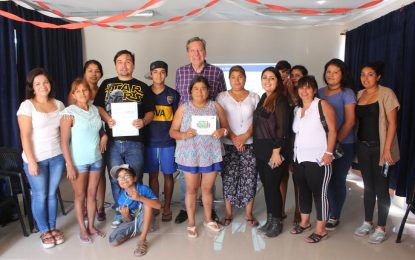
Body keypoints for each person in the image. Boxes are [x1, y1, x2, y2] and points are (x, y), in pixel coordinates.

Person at [94, 50, 155, 228]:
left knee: (134, 178)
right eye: (120, 61)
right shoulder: (107, 84)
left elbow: (151, 111)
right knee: (116, 179)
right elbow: (98, 107)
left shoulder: (143, 86)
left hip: (135, 142)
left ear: (133, 65)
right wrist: (107, 119)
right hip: (113, 141)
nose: (124, 65)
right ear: (115, 65)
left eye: (128, 61)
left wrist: (143, 121)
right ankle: (122, 212)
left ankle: (140, 213)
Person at [174, 36, 226, 224]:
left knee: (208, 182)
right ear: (188, 53)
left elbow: (221, 99)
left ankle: (209, 212)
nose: (196, 54)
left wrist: (222, 129)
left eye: (200, 50)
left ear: (205, 51)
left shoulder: (216, 72)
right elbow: (179, 98)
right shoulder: (180, 72)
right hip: (189, 133)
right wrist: (181, 132)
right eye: (192, 50)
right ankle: (184, 210)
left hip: (210, 137)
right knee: (187, 181)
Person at [169, 76, 229, 238]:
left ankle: (208, 219)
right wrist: (184, 134)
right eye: (196, 88)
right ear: (190, 91)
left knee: (208, 189)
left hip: (211, 154)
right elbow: (172, 131)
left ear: (208, 91)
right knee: (191, 189)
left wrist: (221, 131)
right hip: (190, 154)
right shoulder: (184, 107)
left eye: (203, 88)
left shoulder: (215, 106)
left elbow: (226, 128)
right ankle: (191, 222)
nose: (200, 92)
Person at [17, 68, 65, 248]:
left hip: (57, 157)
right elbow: (25, 136)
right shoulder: (27, 106)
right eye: (37, 84)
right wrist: (31, 162)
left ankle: (52, 228)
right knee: (40, 195)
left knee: (52, 194)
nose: (42, 86)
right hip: (36, 158)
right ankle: (44, 230)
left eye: (45, 82)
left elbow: (63, 131)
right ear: (32, 87)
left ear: (50, 84)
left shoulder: (59, 104)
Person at [354, 61, 399, 244]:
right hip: (363, 148)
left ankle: (381, 227)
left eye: (370, 74)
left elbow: (393, 124)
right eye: (363, 74)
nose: (366, 78)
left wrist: (387, 149)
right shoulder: (359, 94)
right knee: (368, 186)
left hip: (381, 148)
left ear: (378, 76)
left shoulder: (386, 93)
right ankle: (367, 222)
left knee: (381, 188)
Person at [60, 78, 107, 243]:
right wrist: (69, 165)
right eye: (78, 91)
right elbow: (64, 142)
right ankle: (82, 228)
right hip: (78, 161)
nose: (82, 93)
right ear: (73, 94)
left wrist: (104, 136)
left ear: (90, 92)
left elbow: (100, 129)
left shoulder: (95, 109)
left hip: (96, 158)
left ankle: (92, 226)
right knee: (80, 196)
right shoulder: (69, 112)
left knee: (92, 195)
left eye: (85, 90)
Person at [291, 75, 336, 243]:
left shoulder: (321, 105)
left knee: (320, 194)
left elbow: (333, 130)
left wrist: (329, 153)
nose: (304, 91)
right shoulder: (297, 109)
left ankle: (321, 230)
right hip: (299, 159)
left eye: (308, 87)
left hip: (319, 159)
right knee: (303, 191)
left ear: (315, 89)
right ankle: (304, 223)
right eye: (301, 87)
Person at [216, 65, 260, 227]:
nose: (237, 80)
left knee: (250, 178)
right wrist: (234, 138)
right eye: (233, 77)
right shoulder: (222, 97)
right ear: (229, 79)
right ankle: (229, 213)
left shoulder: (254, 97)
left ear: (245, 78)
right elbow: (221, 120)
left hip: (250, 144)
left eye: (240, 76)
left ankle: (249, 213)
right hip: (228, 143)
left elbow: (258, 120)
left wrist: (246, 136)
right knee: (229, 177)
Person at [318, 59, 356, 231]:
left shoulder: (347, 93)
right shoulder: (319, 92)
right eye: (328, 71)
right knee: (324, 180)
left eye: (335, 72)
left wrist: (333, 144)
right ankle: (325, 210)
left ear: (342, 74)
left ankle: (335, 215)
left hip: (343, 144)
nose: (331, 75)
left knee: (337, 180)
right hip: (321, 145)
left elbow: (350, 122)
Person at [253, 67, 290, 238]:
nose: (267, 81)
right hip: (261, 150)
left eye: (272, 78)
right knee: (267, 187)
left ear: (278, 81)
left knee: (273, 187)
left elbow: (282, 129)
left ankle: (277, 222)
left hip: (274, 150)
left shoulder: (280, 100)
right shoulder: (263, 98)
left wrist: (277, 152)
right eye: (264, 78)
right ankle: (270, 220)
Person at [69, 60, 107, 222]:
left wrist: (104, 135)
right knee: (81, 177)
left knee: (100, 174)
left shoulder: (103, 90)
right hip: (82, 140)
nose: (94, 74)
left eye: (97, 70)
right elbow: (73, 118)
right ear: (84, 72)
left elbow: (102, 115)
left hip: (100, 137)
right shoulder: (78, 89)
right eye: (90, 70)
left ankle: (100, 207)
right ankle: (83, 207)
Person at [144, 61, 179, 222]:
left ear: (166, 74)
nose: (159, 75)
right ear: (151, 74)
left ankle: (167, 207)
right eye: (155, 72)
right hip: (149, 141)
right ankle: (156, 204)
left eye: (162, 72)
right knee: (152, 176)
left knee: (168, 175)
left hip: (168, 141)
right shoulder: (144, 93)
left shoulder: (173, 94)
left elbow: (178, 118)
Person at [108, 164, 161, 257]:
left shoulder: (143, 189)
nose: (123, 179)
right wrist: (126, 216)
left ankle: (142, 240)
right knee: (113, 241)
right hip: (134, 222)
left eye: (126, 176)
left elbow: (158, 206)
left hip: (148, 222)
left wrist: (140, 198)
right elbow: (129, 220)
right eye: (120, 177)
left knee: (147, 205)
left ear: (135, 178)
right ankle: (135, 232)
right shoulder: (121, 199)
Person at [280, 64, 308, 224]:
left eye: (298, 75)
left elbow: (301, 107)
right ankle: (281, 208)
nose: (294, 77)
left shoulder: (306, 93)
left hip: (300, 142)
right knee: (282, 176)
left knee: (298, 178)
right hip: (285, 141)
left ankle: (299, 210)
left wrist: (292, 92)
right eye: (293, 75)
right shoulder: (282, 92)